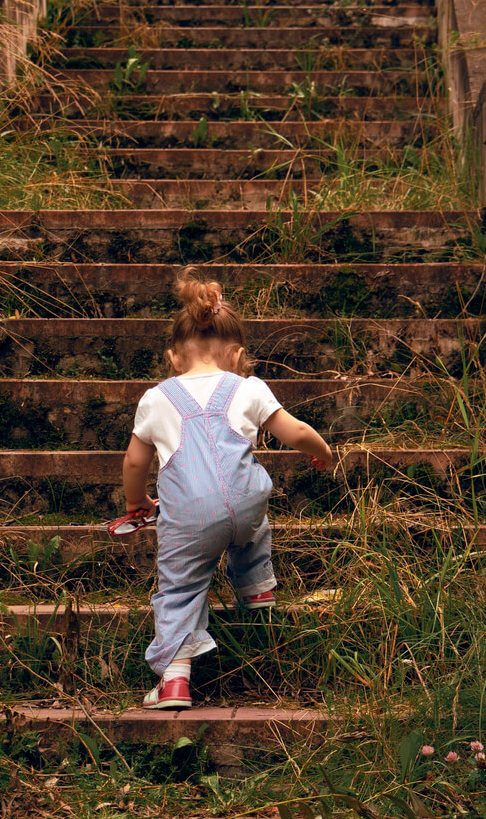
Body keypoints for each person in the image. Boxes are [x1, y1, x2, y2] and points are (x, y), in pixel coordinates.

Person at [122, 266, 334, 709]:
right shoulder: (249, 388)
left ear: (174, 358)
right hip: (247, 504)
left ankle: (175, 681)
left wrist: (136, 501)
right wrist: (322, 452)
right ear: (236, 357)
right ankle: (257, 586)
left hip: (191, 518)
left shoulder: (157, 398)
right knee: (250, 516)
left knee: (180, 586)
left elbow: (135, 460)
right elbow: (295, 432)